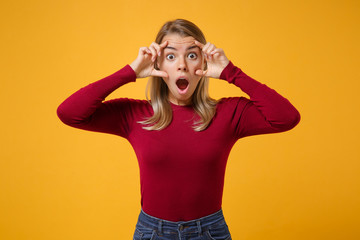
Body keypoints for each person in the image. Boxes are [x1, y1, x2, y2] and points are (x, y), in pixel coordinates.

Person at [57, 18, 300, 240]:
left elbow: (286, 117)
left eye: (192, 55)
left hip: (210, 232)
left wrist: (231, 72)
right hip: (152, 232)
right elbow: (69, 113)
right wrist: (130, 72)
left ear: (203, 63)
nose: (182, 65)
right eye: (171, 56)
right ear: (158, 63)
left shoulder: (227, 113)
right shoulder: (135, 115)